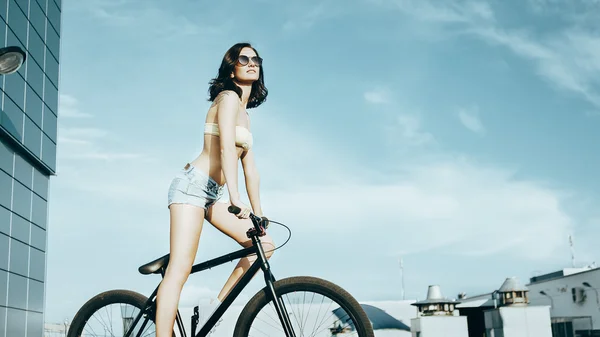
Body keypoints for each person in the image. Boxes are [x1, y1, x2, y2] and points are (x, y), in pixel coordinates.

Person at [155, 42, 275, 337]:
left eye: (255, 59)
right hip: (191, 188)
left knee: (265, 246)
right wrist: (235, 198)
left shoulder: (245, 115)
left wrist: (258, 214)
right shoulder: (228, 98)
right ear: (231, 67)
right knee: (180, 270)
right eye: (243, 58)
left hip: (213, 195)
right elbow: (224, 150)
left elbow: (251, 169)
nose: (251, 62)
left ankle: (214, 307)